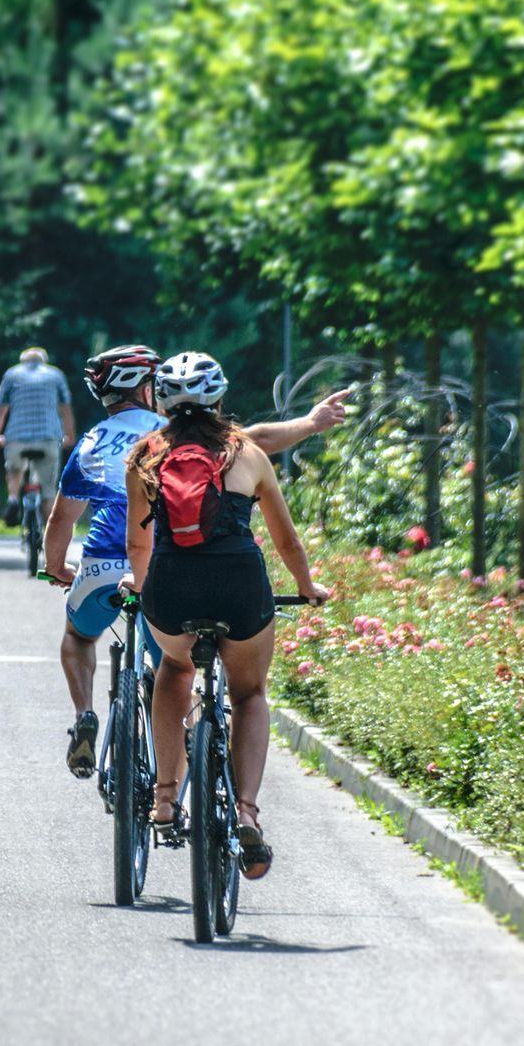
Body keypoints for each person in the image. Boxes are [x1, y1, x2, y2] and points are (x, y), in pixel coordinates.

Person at [44, 347, 349, 782]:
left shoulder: (96, 442)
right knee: (177, 671)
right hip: (170, 567)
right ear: (147, 391)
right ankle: (187, 766)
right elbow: (256, 441)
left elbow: (62, 518)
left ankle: (84, 714)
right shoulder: (171, 434)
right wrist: (311, 423)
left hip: (105, 567)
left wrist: (57, 566)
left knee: (78, 635)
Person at [118, 351, 331, 882]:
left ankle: (165, 798)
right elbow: (286, 540)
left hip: (172, 587)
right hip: (239, 586)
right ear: (218, 399)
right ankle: (246, 813)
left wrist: (141, 586)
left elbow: (138, 545)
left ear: (161, 403)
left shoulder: (143, 456)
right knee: (250, 694)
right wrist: (307, 588)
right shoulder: (246, 453)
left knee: (174, 669)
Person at [0, 347, 75, 526]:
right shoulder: (55, 375)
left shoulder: (12, 375)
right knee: (48, 492)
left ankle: (13, 498)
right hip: (49, 438)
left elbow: (1, 410)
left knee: (14, 469)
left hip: (16, 438)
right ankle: (48, 532)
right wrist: (69, 436)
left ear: (23, 361)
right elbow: (66, 409)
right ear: (44, 360)